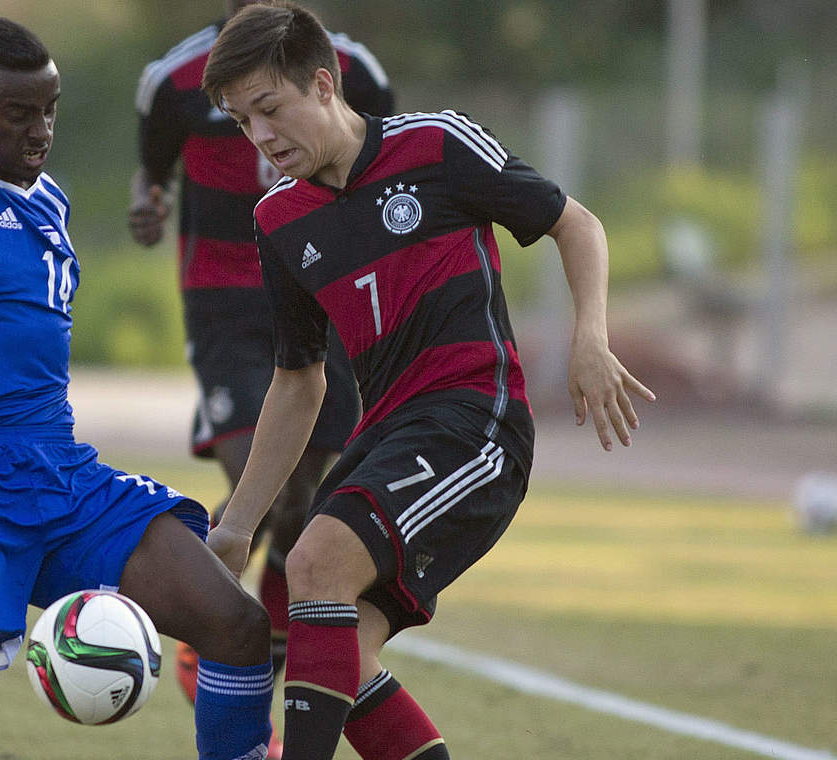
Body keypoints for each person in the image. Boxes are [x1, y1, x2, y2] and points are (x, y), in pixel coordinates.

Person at [199, 4, 656, 759]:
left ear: (322, 83)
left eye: (270, 110)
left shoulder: (438, 144)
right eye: (243, 122)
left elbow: (577, 223)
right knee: (346, 656)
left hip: (477, 422)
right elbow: (298, 381)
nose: (261, 138)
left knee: (314, 564)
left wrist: (591, 336)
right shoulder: (278, 220)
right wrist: (238, 526)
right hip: (386, 435)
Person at [0, 18, 275, 760]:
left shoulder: (50, 201)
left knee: (238, 624)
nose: (40, 131)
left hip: (62, 474)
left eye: (50, 110)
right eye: (18, 113)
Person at [130, 0, 393, 712]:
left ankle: (257, 672)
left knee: (304, 501)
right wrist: (148, 204)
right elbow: (150, 174)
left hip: (318, 289)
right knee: (260, 477)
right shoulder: (175, 80)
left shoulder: (351, 68)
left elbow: (380, 167)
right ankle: (199, 612)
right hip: (222, 302)